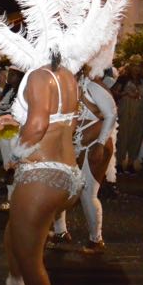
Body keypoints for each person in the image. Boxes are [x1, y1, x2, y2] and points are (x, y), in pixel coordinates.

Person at [0, 0, 133, 285]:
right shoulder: (66, 77)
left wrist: (17, 150)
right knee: (13, 241)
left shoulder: (37, 76)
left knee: (30, 257)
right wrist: (18, 121)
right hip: (66, 176)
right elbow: (54, 119)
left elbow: (38, 125)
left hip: (41, 176)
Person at [51, 60, 119, 253]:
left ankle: (96, 240)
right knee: (61, 188)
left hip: (94, 145)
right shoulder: (64, 87)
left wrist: (100, 144)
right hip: (72, 146)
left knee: (88, 193)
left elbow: (111, 115)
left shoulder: (93, 86)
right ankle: (60, 232)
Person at [0, 67, 25, 211]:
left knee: (15, 165)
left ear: (20, 77)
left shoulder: (23, 92)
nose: (8, 76)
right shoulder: (9, 91)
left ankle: (17, 199)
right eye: (8, 73)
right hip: (4, 132)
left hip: (16, 133)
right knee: (7, 165)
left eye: (12, 74)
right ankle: (10, 198)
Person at [111, 55, 143, 174]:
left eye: (138, 66)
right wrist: (125, 94)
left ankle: (131, 163)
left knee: (137, 136)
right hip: (125, 108)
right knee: (123, 135)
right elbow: (113, 92)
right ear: (130, 66)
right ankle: (118, 163)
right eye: (134, 65)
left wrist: (142, 95)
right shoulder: (123, 78)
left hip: (140, 110)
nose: (136, 68)